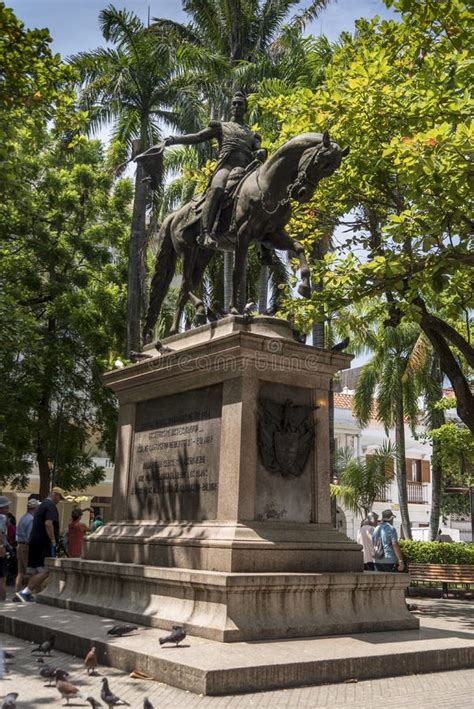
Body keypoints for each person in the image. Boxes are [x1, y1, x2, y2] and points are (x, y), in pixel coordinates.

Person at [138, 90, 266, 249]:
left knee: (263, 194)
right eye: (234, 104)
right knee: (217, 187)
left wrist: (262, 152)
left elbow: (260, 150)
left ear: (246, 108)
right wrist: (173, 140)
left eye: (240, 104)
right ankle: (205, 233)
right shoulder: (221, 127)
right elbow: (198, 137)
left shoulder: (252, 135)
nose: (236, 106)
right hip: (226, 166)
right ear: (231, 108)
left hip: (246, 170)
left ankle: (264, 246)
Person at [16, 487, 65, 603]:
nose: (59, 500)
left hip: (34, 543)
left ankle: (25, 593)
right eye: (60, 497)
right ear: (55, 495)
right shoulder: (50, 506)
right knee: (47, 570)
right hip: (43, 544)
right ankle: (25, 592)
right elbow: (48, 523)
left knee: (34, 571)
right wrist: (53, 540)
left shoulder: (41, 506)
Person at [14, 498, 41, 595]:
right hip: (27, 547)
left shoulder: (23, 517)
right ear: (35, 508)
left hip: (20, 545)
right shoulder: (32, 519)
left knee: (20, 571)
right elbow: (31, 537)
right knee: (32, 572)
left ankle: (17, 591)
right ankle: (31, 593)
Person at [0, 496, 12, 601]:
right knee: (2, 578)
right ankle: (2, 601)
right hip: (0, 550)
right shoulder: (2, 518)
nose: (8, 509)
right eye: (6, 507)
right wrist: (2, 546)